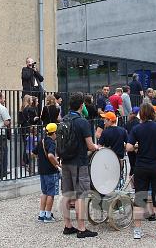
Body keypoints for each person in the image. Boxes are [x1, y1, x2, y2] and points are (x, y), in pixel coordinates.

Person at [126, 102, 156, 240]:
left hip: (141, 166)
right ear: (153, 113)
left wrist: (137, 148)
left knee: (140, 198)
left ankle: (138, 231)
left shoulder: (136, 128)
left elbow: (128, 147)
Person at [58, 92, 99, 239]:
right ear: (82, 105)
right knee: (81, 195)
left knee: (67, 195)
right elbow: (90, 145)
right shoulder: (82, 122)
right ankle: (82, 228)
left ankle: (68, 226)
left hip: (65, 161)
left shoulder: (63, 119)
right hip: (79, 162)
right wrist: (97, 147)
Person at [34, 122, 61, 223]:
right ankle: (48, 215)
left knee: (44, 192)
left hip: (42, 170)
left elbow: (33, 153)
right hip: (50, 171)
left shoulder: (42, 141)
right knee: (51, 194)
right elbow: (50, 155)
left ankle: (41, 214)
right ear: (54, 133)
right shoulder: (52, 143)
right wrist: (57, 163)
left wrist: (42, 159)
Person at [18, 95, 39, 171]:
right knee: (29, 146)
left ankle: (25, 162)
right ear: (28, 100)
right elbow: (31, 120)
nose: (32, 101)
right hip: (28, 128)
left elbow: (19, 121)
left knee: (26, 145)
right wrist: (35, 119)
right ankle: (28, 163)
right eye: (31, 99)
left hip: (23, 129)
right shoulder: (29, 109)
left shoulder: (21, 109)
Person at [124, 106, 141, 180]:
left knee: (132, 165)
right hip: (137, 146)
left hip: (130, 144)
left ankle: (132, 184)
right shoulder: (139, 122)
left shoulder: (128, 123)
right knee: (138, 165)